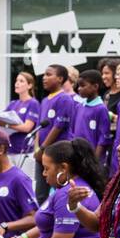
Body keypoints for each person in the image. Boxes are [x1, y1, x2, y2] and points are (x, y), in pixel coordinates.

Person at [34, 64, 75, 202]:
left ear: (60, 78)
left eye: (48, 74)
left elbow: (58, 126)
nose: (44, 78)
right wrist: (36, 149)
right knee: (40, 193)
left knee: (59, 188)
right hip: (42, 154)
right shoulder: (45, 100)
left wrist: (43, 148)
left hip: (55, 153)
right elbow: (40, 127)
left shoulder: (65, 99)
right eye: (44, 75)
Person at [70, 70, 111, 163]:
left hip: (92, 161)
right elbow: (72, 132)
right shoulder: (79, 106)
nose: (79, 89)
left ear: (95, 87)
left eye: (83, 85)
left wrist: (94, 161)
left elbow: (103, 138)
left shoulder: (101, 109)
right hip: (78, 158)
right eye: (78, 86)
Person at [1, 71, 40, 157]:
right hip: (10, 149)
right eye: (16, 81)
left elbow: (27, 127)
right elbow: (0, 120)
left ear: (29, 85)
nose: (17, 83)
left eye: (21, 81)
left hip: (24, 150)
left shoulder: (33, 103)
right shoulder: (13, 103)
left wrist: (7, 125)